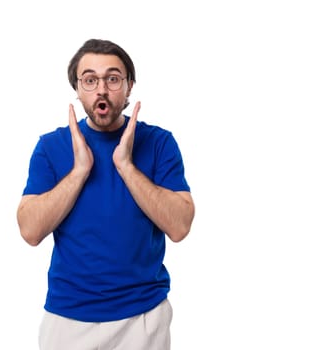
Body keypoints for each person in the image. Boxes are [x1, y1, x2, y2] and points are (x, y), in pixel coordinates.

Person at [17, 38, 195, 350]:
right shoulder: (50, 147)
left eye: (113, 79)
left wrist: (126, 166)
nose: (101, 89)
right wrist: (79, 171)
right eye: (90, 80)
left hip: (144, 318)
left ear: (129, 86)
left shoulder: (159, 143)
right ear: (78, 87)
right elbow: (30, 231)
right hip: (68, 319)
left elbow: (180, 226)